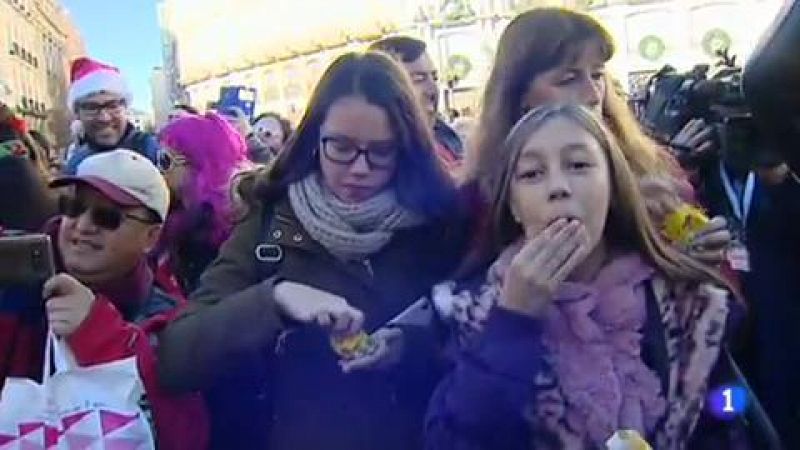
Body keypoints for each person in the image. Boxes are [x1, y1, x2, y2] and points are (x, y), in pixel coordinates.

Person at [157, 51, 468, 450]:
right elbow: (177, 358)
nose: (359, 168)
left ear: (407, 148)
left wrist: (408, 345)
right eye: (340, 146)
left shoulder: (441, 221)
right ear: (313, 139)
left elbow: (478, 342)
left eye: (381, 151)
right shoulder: (269, 221)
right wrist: (276, 300)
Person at [426, 104, 746, 449]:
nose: (558, 187)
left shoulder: (686, 303)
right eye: (532, 174)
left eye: (578, 165)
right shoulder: (464, 314)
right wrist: (511, 322)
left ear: (612, 188)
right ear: (514, 206)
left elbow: (728, 410)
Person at [462, 7, 729, 269]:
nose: (592, 94)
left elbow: (708, 279)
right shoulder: (481, 199)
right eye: (568, 79)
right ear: (518, 95)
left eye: (598, 75)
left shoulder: (650, 164)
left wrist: (686, 247)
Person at [38, 149, 206, 449]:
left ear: (151, 238)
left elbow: (182, 436)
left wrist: (96, 332)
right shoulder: (19, 288)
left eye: (108, 217)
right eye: (73, 207)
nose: (83, 225)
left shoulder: (173, 325)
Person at [156, 111, 253, 293]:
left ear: (198, 163)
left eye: (164, 160)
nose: (158, 170)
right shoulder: (174, 214)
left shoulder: (225, 227)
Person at [369, 36, 463, 170]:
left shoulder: (448, 138)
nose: (433, 90)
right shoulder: (382, 164)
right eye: (418, 79)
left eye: (435, 78)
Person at [63, 57, 160, 175]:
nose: (104, 118)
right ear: (77, 113)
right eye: (92, 107)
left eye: (112, 105)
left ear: (125, 107)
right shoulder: (76, 164)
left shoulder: (153, 151)